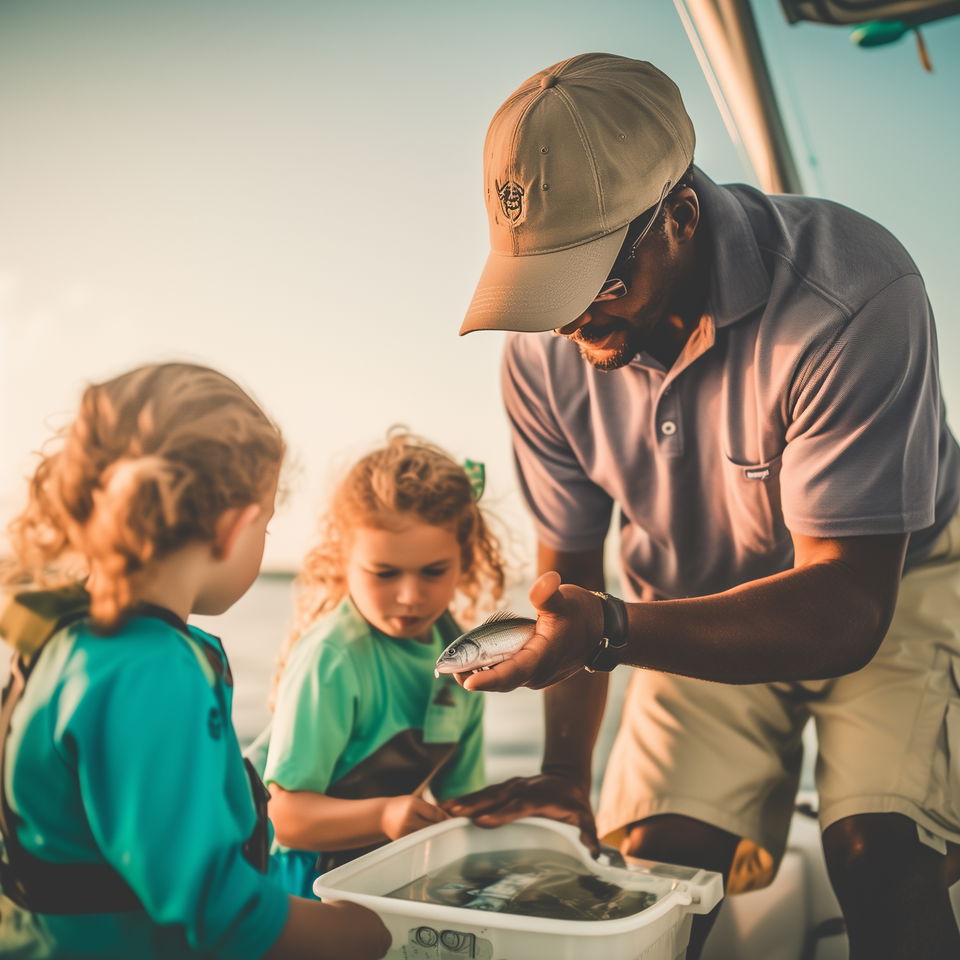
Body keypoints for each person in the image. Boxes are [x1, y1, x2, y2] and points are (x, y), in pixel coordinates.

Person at [447, 52, 960, 960]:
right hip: (681, 603)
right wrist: (567, 773)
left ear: (679, 216)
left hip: (895, 587)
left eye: (591, 281)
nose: (567, 322)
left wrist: (611, 630)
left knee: (881, 859)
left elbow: (846, 608)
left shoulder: (854, 295)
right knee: (650, 872)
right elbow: (570, 575)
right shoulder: (544, 359)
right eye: (543, 290)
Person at [0, 362, 391, 960]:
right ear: (234, 527)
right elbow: (220, 915)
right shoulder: (150, 673)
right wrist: (358, 932)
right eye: (268, 522)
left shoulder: (67, 641)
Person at [263, 430, 506, 899]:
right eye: (385, 573)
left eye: (433, 571)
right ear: (343, 560)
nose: (410, 596)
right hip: (299, 882)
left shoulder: (465, 660)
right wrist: (383, 816)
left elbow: (460, 804)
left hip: (381, 874)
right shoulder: (333, 658)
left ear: (465, 559)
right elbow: (286, 819)